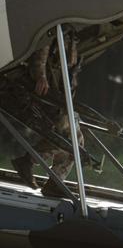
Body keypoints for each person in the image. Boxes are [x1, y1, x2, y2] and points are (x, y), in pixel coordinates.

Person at [8, 32, 84, 197]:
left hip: (60, 94)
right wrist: (40, 76)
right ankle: (40, 170)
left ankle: (39, 170)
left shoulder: (70, 31)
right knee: (72, 140)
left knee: (73, 141)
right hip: (48, 92)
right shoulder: (55, 27)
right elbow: (41, 49)